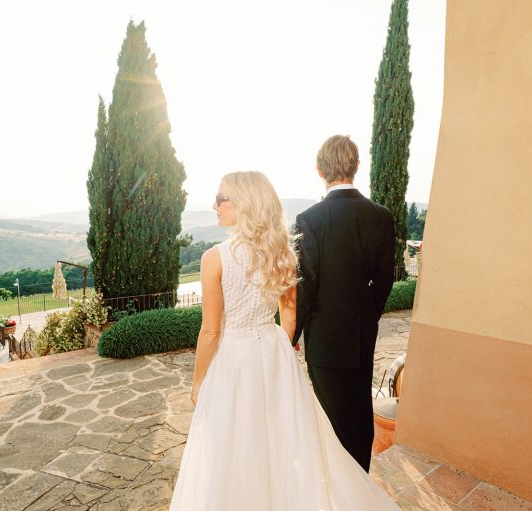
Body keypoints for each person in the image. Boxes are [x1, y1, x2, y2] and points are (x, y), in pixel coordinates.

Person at [170, 171, 398, 510]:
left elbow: (211, 332)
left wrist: (199, 381)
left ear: (243, 204)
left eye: (221, 198)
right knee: (282, 437)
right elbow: (288, 318)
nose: (214, 205)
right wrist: (278, 351)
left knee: (233, 441)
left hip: (232, 359)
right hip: (273, 350)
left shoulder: (214, 259)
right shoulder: (280, 255)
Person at [293, 135, 396, 472]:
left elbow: (305, 285)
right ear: (357, 166)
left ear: (319, 169)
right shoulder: (381, 216)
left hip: (324, 339)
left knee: (331, 419)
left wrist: (292, 333)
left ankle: (341, 489)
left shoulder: (310, 219)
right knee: (359, 413)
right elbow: (384, 280)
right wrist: (367, 316)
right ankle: (360, 481)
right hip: (362, 335)